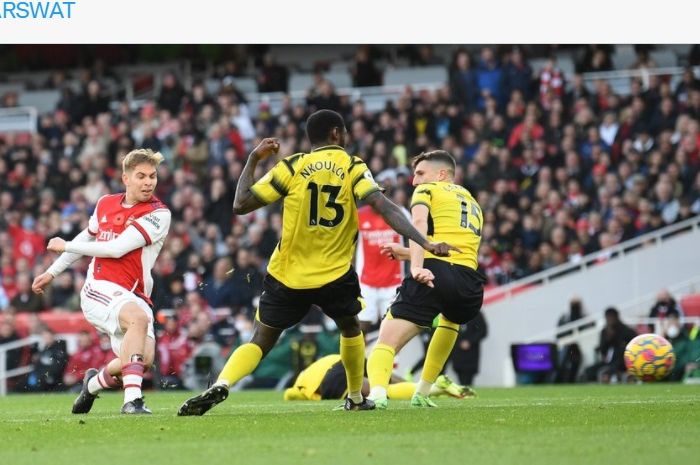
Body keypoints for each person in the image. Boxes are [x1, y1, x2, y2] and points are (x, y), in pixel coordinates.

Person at [178, 109, 457, 416]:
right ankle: (354, 396)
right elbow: (382, 205)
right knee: (351, 329)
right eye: (345, 131)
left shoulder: (293, 165)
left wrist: (253, 159)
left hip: (286, 274)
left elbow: (240, 204)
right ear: (336, 134)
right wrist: (424, 241)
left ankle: (223, 383)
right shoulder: (352, 166)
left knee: (262, 338)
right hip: (333, 274)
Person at [32, 148, 172, 414]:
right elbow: (87, 238)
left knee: (143, 360)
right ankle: (132, 401)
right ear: (125, 179)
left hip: (137, 295)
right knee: (138, 321)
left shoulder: (158, 214)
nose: (148, 182)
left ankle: (92, 385)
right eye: (141, 176)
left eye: (152, 176)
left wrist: (65, 245)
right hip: (99, 287)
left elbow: (116, 248)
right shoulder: (105, 203)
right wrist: (52, 272)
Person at [366, 150, 486, 408]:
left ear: (441, 174)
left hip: (434, 273)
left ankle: (376, 395)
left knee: (385, 341)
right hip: (469, 282)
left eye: (420, 173)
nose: (414, 181)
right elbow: (453, 250)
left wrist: (416, 266)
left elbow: (418, 224)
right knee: (450, 320)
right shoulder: (471, 201)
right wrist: (408, 254)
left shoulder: (428, 190)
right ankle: (422, 391)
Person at [282, 354, 475, 402]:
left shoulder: (300, 383)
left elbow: (289, 395)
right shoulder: (315, 365)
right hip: (344, 358)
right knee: (384, 376)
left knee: (381, 392)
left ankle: (435, 389)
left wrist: (292, 394)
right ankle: (426, 386)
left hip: (331, 380)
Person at [355, 204, 407, 334]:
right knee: (361, 326)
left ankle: (392, 355)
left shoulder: (399, 212)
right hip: (366, 281)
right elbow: (352, 245)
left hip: (394, 282)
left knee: (392, 328)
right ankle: (360, 355)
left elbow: (412, 239)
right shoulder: (358, 214)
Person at [584, 307, 637, 383]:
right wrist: (607, 340)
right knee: (589, 371)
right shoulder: (604, 332)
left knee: (618, 356)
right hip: (608, 361)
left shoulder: (626, 331)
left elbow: (634, 344)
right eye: (608, 317)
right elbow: (602, 351)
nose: (610, 319)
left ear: (616, 317)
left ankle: (614, 375)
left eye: (611, 317)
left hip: (623, 361)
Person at [449, 311, 488, 386]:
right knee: (460, 375)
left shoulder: (475, 313)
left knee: (468, 378)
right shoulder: (453, 313)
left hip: (471, 354)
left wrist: (470, 341)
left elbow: (483, 331)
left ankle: (467, 392)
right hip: (457, 353)